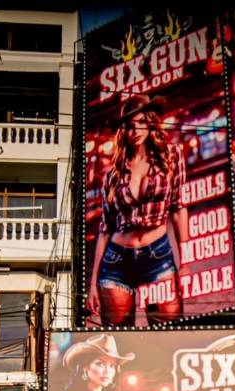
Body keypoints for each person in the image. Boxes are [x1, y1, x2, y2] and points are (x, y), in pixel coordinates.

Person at [88, 94, 189, 326]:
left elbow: (178, 207)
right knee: (119, 339)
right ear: (123, 131)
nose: (136, 131)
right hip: (116, 261)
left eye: (141, 123)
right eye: (129, 126)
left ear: (150, 123)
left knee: (169, 332)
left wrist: (186, 262)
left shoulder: (171, 156)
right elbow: (105, 229)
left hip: (158, 256)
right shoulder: (113, 174)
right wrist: (92, 284)